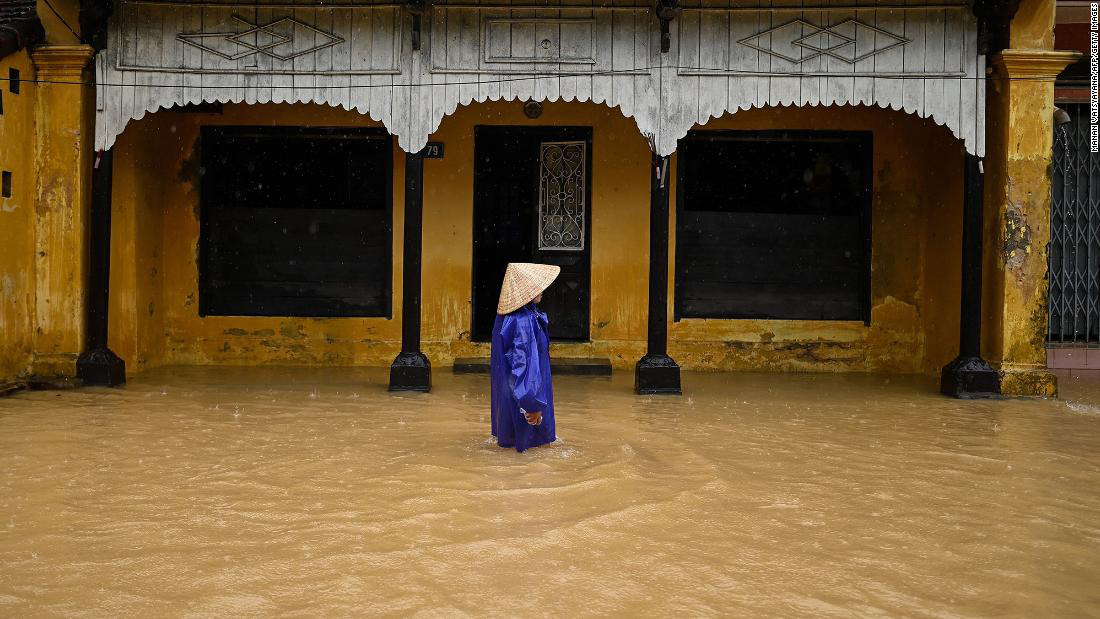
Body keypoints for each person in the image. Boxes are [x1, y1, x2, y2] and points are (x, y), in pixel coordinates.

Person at [490, 262, 560, 452]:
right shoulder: (523, 321)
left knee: (514, 451)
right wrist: (531, 405)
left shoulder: (513, 317)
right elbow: (523, 365)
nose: (542, 290)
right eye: (537, 286)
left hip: (513, 394)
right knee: (534, 452)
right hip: (525, 397)